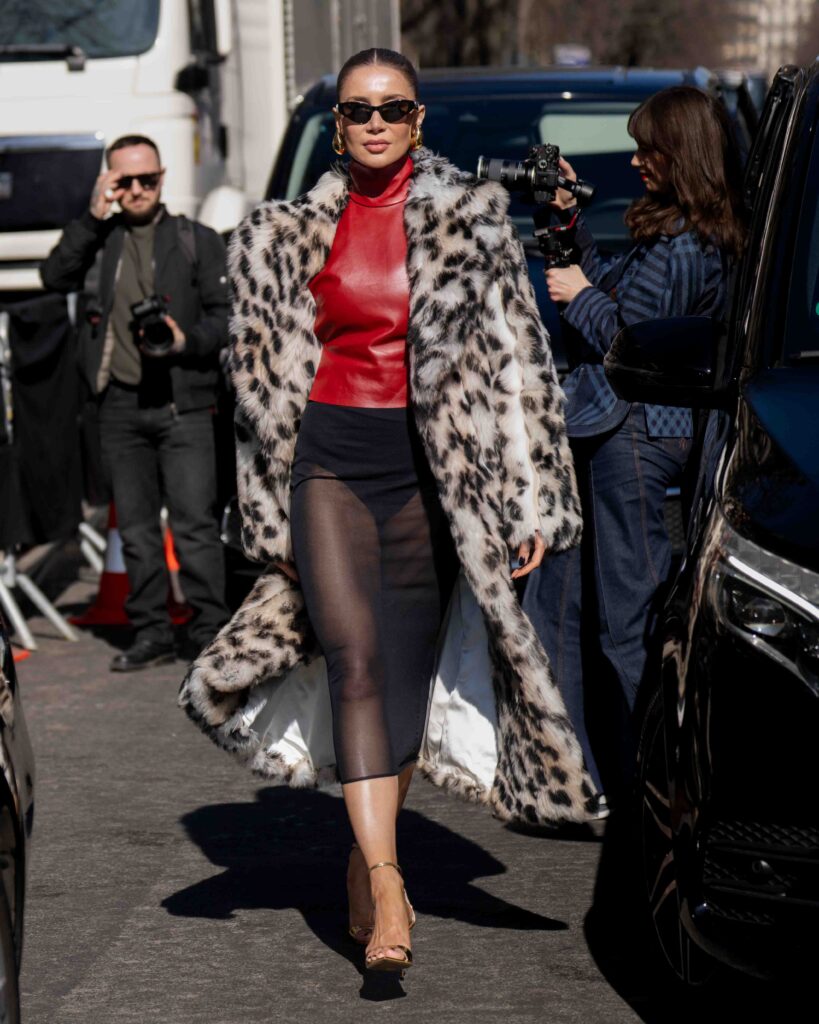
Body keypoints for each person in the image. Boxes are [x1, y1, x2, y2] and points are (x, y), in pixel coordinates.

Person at [179, 48, 598, 975]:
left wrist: (530, 499)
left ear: (417, 121)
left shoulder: (471, 224)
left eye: (391, 108)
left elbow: (519, 368)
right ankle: (389, 877)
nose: (374, 123)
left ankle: (367, 859)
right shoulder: (281, 235)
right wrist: (263, 520)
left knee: (400, 684)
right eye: (357, 111)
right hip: (325, 466)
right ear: (338, 125)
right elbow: (253, 401)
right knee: (355, 664)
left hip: (429, 478)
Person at [523, 86, 746, 802]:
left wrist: (576, 295)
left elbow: (634, 345)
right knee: (579, 609)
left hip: (637, 436)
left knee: (628, 622)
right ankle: (585, 770)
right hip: (619, 432)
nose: (632, 159)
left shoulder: (687, 246)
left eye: (646, 147)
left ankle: (654, 777)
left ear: (677, 153)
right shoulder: (679, 232)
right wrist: (570, 229)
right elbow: (615, 296)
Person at [41, 134, 230, 671]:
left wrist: (183, 340)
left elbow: (224, 319)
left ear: (163, 177)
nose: (138, 189)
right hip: (118, 405)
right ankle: (151, 631)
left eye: (148, 178)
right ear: (110, 183)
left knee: (194, 526)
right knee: (139, 530)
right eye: (125, 181)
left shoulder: (197, 240)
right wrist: (91, 215)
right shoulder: (101, 240)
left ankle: (209, 631)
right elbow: (54, 276)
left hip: (183, 402)